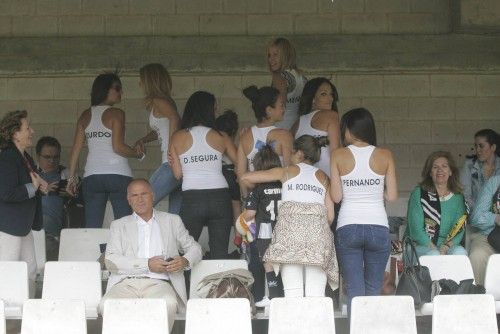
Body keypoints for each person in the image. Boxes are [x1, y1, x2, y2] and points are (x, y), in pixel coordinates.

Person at [241, 135, 338, 298]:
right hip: (317, 238)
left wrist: (258, 191)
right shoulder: (324, 178)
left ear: (299, 153)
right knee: (317, 294)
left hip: (290, 237)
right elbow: (330, 216)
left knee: (293, 294)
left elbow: (245, 177)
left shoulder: (286, 171)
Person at [101, 179, 202, 332]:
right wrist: (146, 264)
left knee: (167, 303)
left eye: (144, 194)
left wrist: (185, 260)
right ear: (129, 200)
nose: (139, 199)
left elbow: (195, 248)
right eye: (134, 196)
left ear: (153, 196)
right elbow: (110, 260)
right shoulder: (119, 225)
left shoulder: (172, 220)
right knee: (107, 304)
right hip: (126, 283)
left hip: (160, 283)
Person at [330, 108, 397, 316]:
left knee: (355, 294)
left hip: (348, 226)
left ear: (349, 129)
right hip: (378, 227)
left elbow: (337, 197)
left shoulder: (339, 154)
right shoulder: (385, 154)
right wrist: (375, 188)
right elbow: (392, 195)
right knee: (373, 292)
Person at [67, 72, 143, 228]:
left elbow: (76, 149)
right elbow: (118, 147)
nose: (121, 92)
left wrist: (71, 179)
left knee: (93, 227)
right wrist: (137, 153)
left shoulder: (85, 115)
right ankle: (122, 253)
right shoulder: (117, 113)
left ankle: (99, 253)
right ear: (105, 90)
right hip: (118, 175)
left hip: (93, 177)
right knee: (125, 226)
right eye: (117, 88)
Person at [169, 91, 237, 259]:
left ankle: (187, 285)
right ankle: (218, 286)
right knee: (219, 253)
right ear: (209, 110)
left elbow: (178, 175)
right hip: (220, 197)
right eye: (215, 107)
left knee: (186, 253)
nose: (217, 111)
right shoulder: (222, 136)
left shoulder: (177, 137)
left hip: (192, 199)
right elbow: (240, 164)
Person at [0, 110, 50, 281]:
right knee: (9, 273)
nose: (32, 131)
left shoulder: (24, 156)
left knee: (29, 271)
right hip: (8, 227)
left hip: (23, 226)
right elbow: (6, 193)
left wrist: (39, 187)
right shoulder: (7, 157)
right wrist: (33, 187)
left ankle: (26, 307)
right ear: (15, 133)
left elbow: (31, 185)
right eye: (28, 128)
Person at [134, 63, 182, 213]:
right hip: (177, 163)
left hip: (170, 163)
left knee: (140, 204)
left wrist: (171, 148)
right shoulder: (164, 101)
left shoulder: (158, 100)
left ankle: (131, 237)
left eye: (142, 79)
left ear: (149, 81)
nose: (139, 83)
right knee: (176, 215)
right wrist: (144, 139)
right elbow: (162, 129)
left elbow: (175, 118)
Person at [405, 151, 468, 258]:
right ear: (430, 172)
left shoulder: (458, 197)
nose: (440, 170)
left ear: (450, 171)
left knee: (460, 254)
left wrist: (446, 246)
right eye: (435, 167)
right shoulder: (419, 193)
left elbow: (459, 229)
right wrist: (436, 250)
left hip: (446, 246)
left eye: (444, 166)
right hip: (420, 245)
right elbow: (416, 231)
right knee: (434, 255)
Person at [242, 145, 283, 307]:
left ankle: (273, 297)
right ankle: (283, 295)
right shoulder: (283, 185)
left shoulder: (258, 189)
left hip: (265, 229)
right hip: (283, 228)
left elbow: (250, 214)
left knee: (268, 262)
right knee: (284, 262)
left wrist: (242, 218)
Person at [238, 85, 293, 196]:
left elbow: (241, 175)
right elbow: (290, 172)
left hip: (256, 200)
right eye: (281, 105)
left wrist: (248, 199)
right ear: (269, 110)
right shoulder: (284, 135)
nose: (284, 109)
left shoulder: (245, 136)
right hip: (280, 198)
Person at [293, 77, 341, 176]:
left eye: (331, 94)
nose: (331, 98)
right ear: (313, 98)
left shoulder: (297, 123)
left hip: (303, 179)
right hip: (327, 178)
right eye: (324, 94)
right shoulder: (331, 115)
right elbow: (335, 153)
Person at [35, 136, 70, 260]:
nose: (52, 161)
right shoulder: (30, 174)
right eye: (47, 157)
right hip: (30, 228)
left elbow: (83, 200)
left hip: (57, 229)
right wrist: (43, 189)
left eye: (56, 157)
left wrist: (71, 195)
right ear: (38, 156)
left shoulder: (65, 174)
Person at [267, 37, 307, 129]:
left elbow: (278, 108)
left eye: (275, 55)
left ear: (285, 55)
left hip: (281, 127)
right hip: (298, 127)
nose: (271, 59)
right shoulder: (301, 76)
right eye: (269, 55)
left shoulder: (280, 77)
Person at [469, 175, 500, 284]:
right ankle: (478, 297)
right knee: (478, 255)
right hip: (490, 236)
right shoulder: (494, 182)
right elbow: (475, 217)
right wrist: (496, 218)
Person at [460, 129, 500, 209]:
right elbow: (464, 196)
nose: (477, 150)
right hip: (474, 215)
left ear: (493, 147)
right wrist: (481, 212)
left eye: (481, 146)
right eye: (476, 146)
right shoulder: (469, 165)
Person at [215, 110, 241, 222]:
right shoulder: (234, 147)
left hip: (217, 176)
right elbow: (240, 165)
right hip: (231, 174)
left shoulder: (214, 142)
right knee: (236, 204)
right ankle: (238, 236)